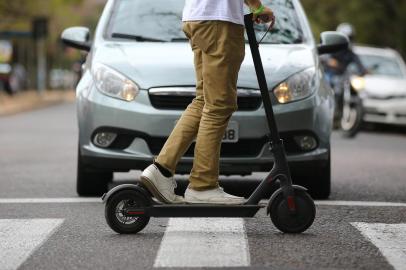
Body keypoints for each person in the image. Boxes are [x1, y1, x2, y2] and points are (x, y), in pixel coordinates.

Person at [140, 0, 275, 205]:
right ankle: (203, 185)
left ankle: (161, 169)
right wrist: (256, 7)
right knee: (219, 105)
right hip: (219, 21)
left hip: (198, 17)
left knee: (204, 100)